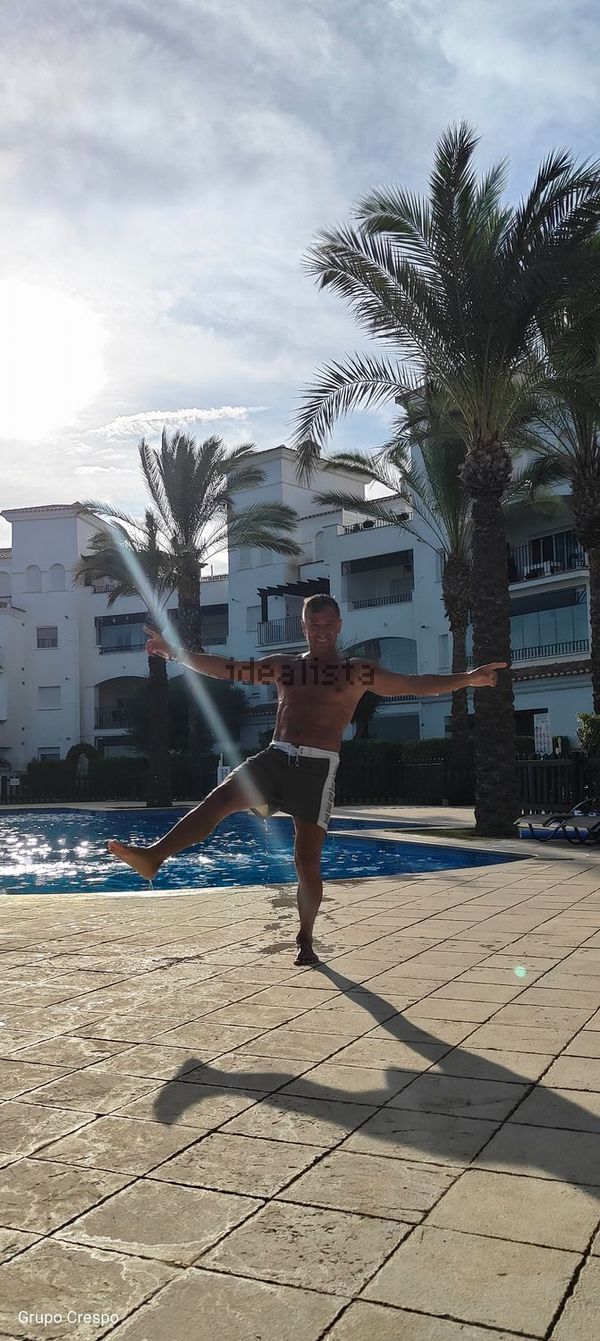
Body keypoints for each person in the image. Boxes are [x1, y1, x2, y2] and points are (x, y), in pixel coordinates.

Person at [107, 595, 505, 966]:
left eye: (329, 624)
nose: (322, 631)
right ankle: (154, 856)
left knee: (306, 860)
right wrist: (173, 652)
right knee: (219, 800)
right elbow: (227, 668)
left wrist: (468, 678)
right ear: (304, 626)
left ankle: (306, 938)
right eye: (315, 624)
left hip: (317, 770)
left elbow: (413, 683)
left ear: (339, 625)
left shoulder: (356, 671)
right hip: (275, 756)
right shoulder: (286, 666)